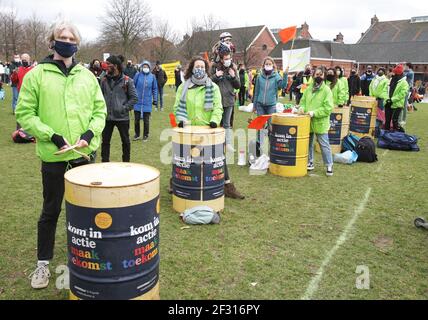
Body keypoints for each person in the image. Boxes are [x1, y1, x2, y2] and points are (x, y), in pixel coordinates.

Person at [15, 21, 107, 290]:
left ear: (77, 43)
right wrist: (51, 135)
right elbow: (25, 114)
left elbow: (99, 112)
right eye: (61, 36)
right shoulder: (36, 75)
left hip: (83, 156)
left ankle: (87, 262)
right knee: (51, 211)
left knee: (87, 214)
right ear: (52, 42)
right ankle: (43, 265)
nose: (66, 40)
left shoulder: (87, 76)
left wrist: (89, 135)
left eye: (71, 37)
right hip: (54, 157)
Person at [173, 56, 244, 199]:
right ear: (192, 68)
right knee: (183, 159)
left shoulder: (213, 87)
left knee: (218, 158)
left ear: (206, 69)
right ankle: (175, 182)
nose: (199, 69)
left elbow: (218, 107)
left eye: (202, 67)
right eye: (196, 66)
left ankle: (227, 185)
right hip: (189, 129)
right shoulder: (183, 87)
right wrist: (181, 120)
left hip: (209, 130)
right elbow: (177, 107)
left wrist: (213, 121)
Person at [100, 55, 138, 162]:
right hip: (107, 117)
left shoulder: (127, 81)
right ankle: (104, 163)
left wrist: (123, 108)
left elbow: (134, 98)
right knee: (105, 142)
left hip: (122, 118)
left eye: (108, 64)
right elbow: (99, 97)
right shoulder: (103, 80)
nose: (105, 66)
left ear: (115, 66)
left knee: (125, 141)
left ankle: (126, 163)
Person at [297, 67, 334, 176]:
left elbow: (328, 108)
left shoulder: (327, 90)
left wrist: (314, 113)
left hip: (320, 122)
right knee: (308, 143)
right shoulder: (308, 89)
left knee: (324, 144)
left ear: (324, 76)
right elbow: (303, 101)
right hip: (307, 120)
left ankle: (329, 165)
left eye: (320, 75)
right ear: (313, 76)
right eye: (316, 74)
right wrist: (301, 108)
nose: (318, 76)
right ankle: (310, 162)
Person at [252, 57, 288, 157]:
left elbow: (283, 86)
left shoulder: (276, 76)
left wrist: (285, 74)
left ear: (273, 65)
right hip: (260, 105)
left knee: (271, 127)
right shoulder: (259, 77)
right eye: (266, 64)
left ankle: (272, 148)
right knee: (260, 127)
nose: (268, 65)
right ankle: (258, 148)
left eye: (270, 64)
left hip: (271, 105)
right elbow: (256, 92)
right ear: (263, 66)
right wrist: (254, 105)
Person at [211, 52, 241, 152]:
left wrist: (233, 77)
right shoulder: (215, 68)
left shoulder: (233, 69)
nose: (228, 60)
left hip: (229, 99)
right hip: (217, 101)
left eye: (229, 58)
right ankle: (216, 144)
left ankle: (227, 144)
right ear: (221, 59)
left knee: (227, 124)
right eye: (226, 58)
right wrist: (216, 75)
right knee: (216, 123)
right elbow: (208, 81)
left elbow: (238, 85)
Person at [133, 61, 158, 141]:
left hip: (147, 102)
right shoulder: (137, 75)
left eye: (147, 67)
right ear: (141, 67)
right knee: (136, 120)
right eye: (144, 66)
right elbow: (133, 86)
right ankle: (137, 134)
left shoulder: (152, 77)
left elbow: (154, 88)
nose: (145, 68)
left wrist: (155, 99)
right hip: (137, 101)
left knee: (146, 120)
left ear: (149, 68)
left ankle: (145, 135)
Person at [384, 64, 409, 132]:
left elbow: (402, 94)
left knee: (395, 121)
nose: (393, 73)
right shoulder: (391, 80)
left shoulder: (404, 83)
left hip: (397, 105)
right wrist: (387, 99)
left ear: (398, 73)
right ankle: (386, 135)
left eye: (395, 72)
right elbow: (386, 90)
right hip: (388, 103)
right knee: (387, 121)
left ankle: (399, 134)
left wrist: (392, 100)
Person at [369, 67, 389, 134]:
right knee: (372, 114)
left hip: (380, 99)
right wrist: (371, 95)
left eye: (382, 70)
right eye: (379, 70)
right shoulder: (374, 79)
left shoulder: (386, 80)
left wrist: (379, 96)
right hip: (373, 98)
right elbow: (370, 87)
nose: (380, 71)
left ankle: (377, 130)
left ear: (384, 72)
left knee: (379, 115)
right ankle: (372, 128)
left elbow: (385, 90)